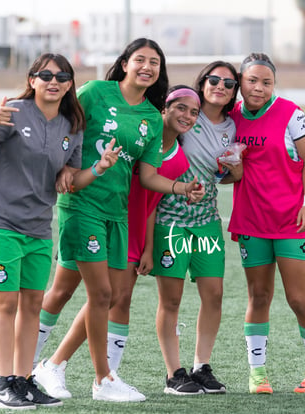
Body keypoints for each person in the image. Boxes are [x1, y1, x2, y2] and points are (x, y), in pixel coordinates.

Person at [32, 38, 204, 403]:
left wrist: (180, 188)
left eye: (154, 62)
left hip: (118, 213)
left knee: (80, 291)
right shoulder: (96, 92)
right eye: (140, 59)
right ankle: (97, 378)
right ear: (124, 63)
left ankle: (46, 367)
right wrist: (64, 164)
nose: (147, 66)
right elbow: (65, 123)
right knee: (104, 294)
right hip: (83, 202)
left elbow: (147, 176)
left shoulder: (150, 117)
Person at [0, 53, 121, 410]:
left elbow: (70, 181)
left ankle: (23, 380)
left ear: (70, 84)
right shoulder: (14, 111)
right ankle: (4, 384)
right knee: (6, 304)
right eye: (45, 74)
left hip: (38, 226)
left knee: (33, 304)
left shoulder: (72, 124)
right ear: (32, 79)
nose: (54, 80)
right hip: (0, 222)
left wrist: (97, 168)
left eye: (62, 75)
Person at [228, 52, 305, 394]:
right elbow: (229, 172)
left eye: (266, 82)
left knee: (298, 298)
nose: (258, 88)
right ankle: (258, 375)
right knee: (258, 296)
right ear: (240, 82)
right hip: (251, 222)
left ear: (274, 85)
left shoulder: (291, 113)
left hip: (291, 222)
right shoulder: (231, 117)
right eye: (252, 81)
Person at [150, 61, 243, 396]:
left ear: (234, 91)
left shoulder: (233, 127)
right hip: (169, 222)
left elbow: (228, 175)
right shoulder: (185, 113)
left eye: (229, 83)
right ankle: (174, 373)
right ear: (202, 82)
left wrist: (235, 170)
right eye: (214, 79)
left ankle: (201, 366)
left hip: (207, 222)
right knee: (171, 299)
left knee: (214, 295)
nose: (220, 86)